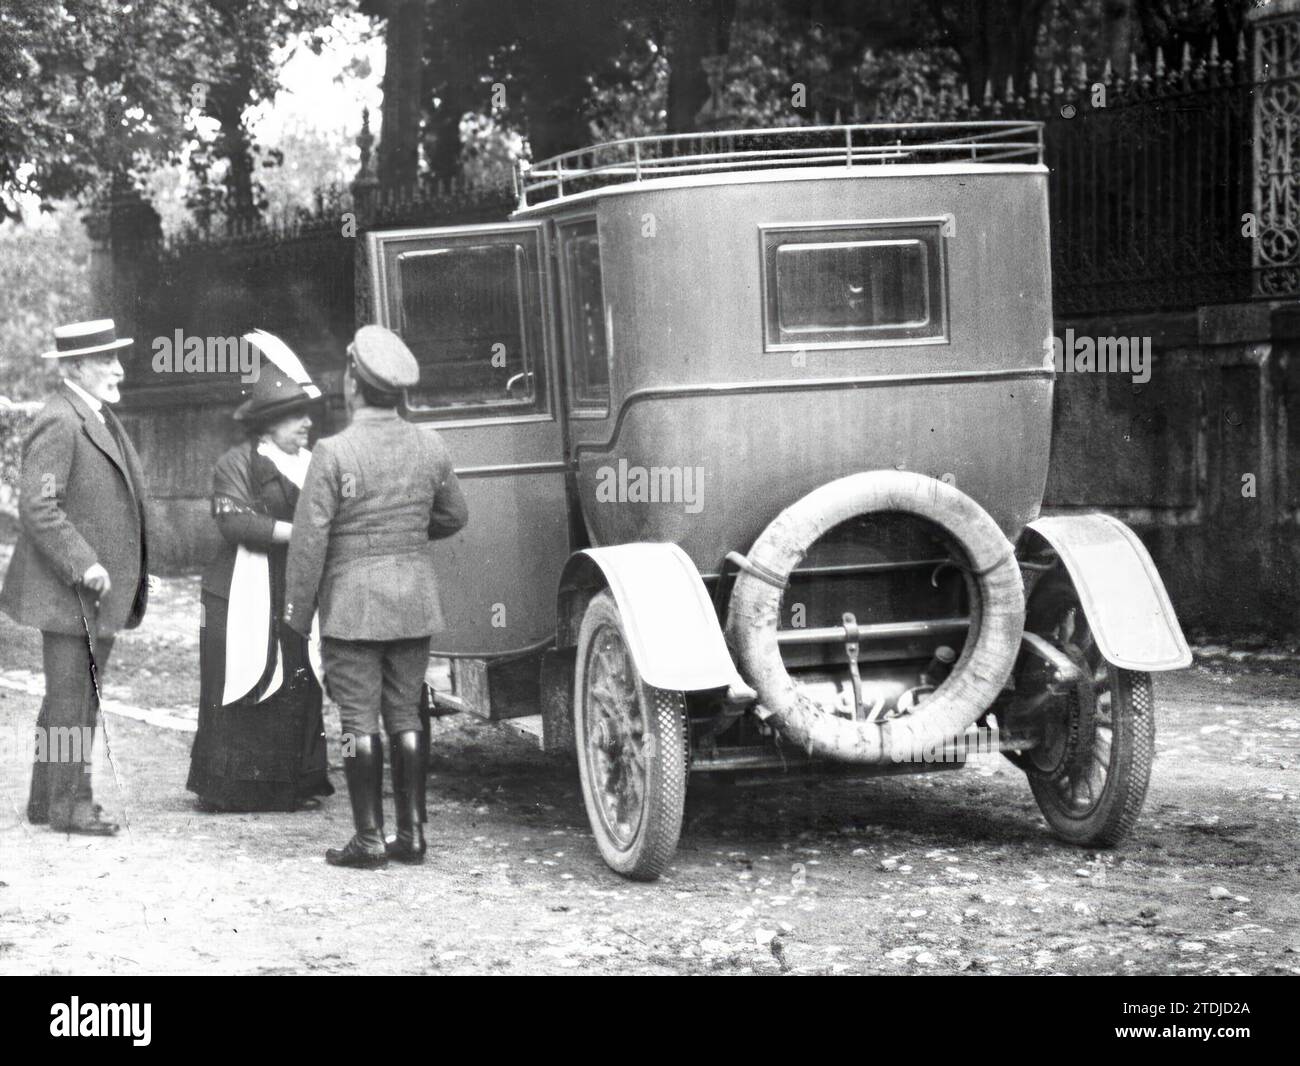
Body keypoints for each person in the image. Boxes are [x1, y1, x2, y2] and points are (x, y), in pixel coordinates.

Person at [284, 325, 468, 868]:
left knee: (357, 723)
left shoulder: (332, 451)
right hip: (413, 602)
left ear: (353, 384)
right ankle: (411, 836)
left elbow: (310, 541)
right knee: (407, 715)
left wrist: (296, 615)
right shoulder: (429, 444)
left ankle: (368, 839)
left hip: (351, 608)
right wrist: (405, 540)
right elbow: (456, 514)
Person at [0, 319, 149, 836]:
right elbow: (39, 504)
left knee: (69, 696)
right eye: (106, 359)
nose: (118, 368)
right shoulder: (61, 420)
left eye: (115, 356)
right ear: (75, 367)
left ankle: (47, 798)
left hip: (85, 596)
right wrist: (83, 562)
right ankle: (70, 804)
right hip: (69, 591)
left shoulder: (92, 413)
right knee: (73, 699)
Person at [186, 331, 334, 812]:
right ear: (268, 425)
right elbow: (236, 522)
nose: (306, 425)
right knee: (242, 682)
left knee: (296, 677)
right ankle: (233, 787)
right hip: (237, 596)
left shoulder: (317, 465)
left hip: (294, 591)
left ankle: (290, 783)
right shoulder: (237, 464)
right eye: (296, 417)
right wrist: (306, 533)